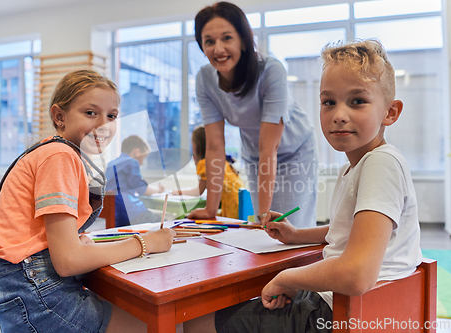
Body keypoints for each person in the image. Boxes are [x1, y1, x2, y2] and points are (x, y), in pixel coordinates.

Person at [183, 39, 423, 333]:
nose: (339, 114)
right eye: (328, 102)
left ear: (390, 112)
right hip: (346, 304)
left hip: (339, 312)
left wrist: (288, 277)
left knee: (194, 319)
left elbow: (357, 274)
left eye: (357, 101)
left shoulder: (380, 164)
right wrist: (296, 235)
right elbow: (350, 232)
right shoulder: (358, 166)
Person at [0, 69, 176, 333]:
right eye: (90, 113)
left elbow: (57, 243)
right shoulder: (60, 156)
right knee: (157, 324)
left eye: (112, 116)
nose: (103, 124)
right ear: (59, 116)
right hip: (37, 293)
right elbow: (68, 261)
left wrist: (75, 240)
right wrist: (146, 242)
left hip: (31, 287)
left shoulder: (59, 152)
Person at [188, 1, 318, 228]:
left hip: (295, 151)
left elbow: (270, 147)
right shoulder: (205, 79)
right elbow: (215, 147)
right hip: (256, 154)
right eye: (209, 41)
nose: (218, 49)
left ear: (243, 41)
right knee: (266, 229)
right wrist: (210, 209)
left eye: (227, 38)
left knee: (289, 227)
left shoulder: (270, 70)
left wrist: (265, 215)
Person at [172, 126, 243, 218]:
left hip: (230, 211)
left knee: (187, 216)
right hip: (239, 207)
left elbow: (198, 191)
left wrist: (178, 192)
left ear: (197, 146)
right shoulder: (223, 162)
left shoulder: (205, 163)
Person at [105, 135, 165, 226]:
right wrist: (158, 189)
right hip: (131, 212)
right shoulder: (131, 162)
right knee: (165, 223)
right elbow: (143, 190)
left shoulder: (111, 164)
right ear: (137, 152)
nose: (143, 162)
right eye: (144, 157)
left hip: (114, 213)